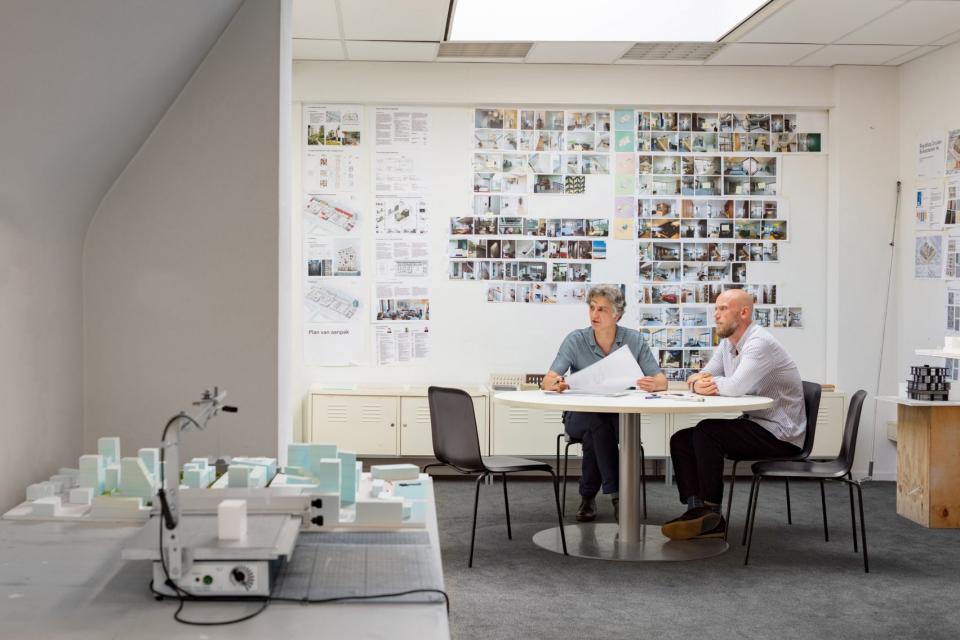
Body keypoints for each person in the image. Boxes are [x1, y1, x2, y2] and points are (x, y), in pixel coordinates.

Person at [661, 289, 805, 540]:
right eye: (715, 309)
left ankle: (712, 513)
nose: (716, 315)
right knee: (681, 439)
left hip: (781, 433)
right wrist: (698, 383)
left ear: (744, 312)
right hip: (757, 423)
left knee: (707, 431)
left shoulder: (759, 343)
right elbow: (703, 374)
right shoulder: (729, 343)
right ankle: (696, 510)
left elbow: (736, 387)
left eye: (722, 309)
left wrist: (708, 383)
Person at [543, 284, 667, 522]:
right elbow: (548, 379)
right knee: (594, 423)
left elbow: (661, 380)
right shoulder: (575, 340)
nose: (594, 315)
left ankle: (588, 496)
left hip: (618, 417)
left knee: (596, 432)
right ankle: (618, 495)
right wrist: (555, 383)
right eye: (592, 308)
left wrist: (654, 384)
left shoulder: (634, 339)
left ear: (616, 315)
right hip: (578, 416)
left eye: (601, 309)